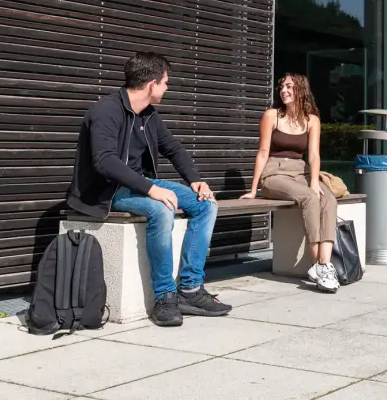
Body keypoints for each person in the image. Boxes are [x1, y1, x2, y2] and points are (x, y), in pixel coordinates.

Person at [66, 52, 232, 327]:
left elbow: (173, 148)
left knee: (206, 203)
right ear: (152, 84)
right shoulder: (106, 111)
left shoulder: (148, 115)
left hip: (138, 185)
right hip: (106, 192)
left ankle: (190, 289)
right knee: (161, 208)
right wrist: (150, 189)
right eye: (166, 83)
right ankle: (165, 298)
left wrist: (195, 179)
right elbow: (104, 161)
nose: (167, 88)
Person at [241, 73, 340, 293]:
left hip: (300, 172)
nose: (283, 90)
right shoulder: (272, 116)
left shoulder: (312, 119)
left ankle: (325, 265)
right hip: (275, 174)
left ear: (301, 91)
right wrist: (254, 188)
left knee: (328, 199)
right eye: (281, 87)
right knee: (309, 197)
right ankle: (318, 266)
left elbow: (313, 155)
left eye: (289, 87)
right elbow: (263, 151)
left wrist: (314, 181)